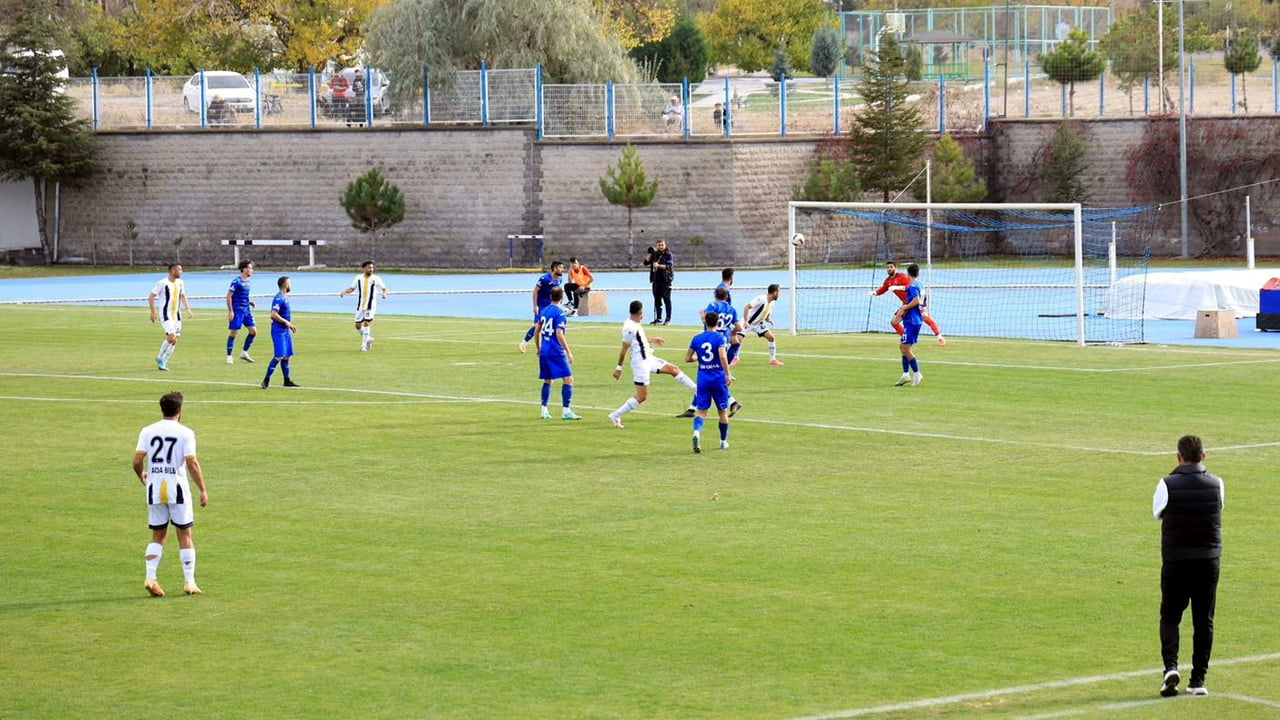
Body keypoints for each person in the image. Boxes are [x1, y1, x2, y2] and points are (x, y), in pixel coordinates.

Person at [1154, 434, 1225, 698]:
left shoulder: (1166, 484)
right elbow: (1218, 510)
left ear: (1178, 457)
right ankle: (1198, 680)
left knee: (1170, 616)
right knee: (1203, 620)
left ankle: (1171, 667)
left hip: (1176, 560)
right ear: (1203, 456)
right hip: (1208, 560)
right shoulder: (1217, 484)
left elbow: (1157, 513)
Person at [133, 391, 207, 597]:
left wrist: (142, 477)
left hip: (155, 488)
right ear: (180, 411)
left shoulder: (147, 430)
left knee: (158, 534)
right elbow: (192, 462)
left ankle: (150, 577)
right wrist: (202, 489)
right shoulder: (185, 433)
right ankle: (189, 582)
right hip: (177, 488)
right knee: (184, 534)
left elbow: (137, 461)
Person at [608, 300, 698, 429]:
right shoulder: (629, 328)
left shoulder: (635, 323)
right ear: (641, 313)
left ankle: (697, 390)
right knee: (642, 397)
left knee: (673, 369)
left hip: (649, 359)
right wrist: (619, 368)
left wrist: (652, 340)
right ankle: (615, 415)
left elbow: (638, 341)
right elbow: (624, 349)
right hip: (640, 364)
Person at [679, 286, 742, 417]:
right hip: (723, 342)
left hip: (712, 341)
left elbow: (706, 320)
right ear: (726, 296)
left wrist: (702, 314)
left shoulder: (712, 306)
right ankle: (692, 408)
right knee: (713, 376)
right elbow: (738, 327)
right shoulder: (732, 309)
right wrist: (732, 334)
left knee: (708, 374)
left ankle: (731, 402)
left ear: (715, 295)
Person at [686, 310, 733, 453]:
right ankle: (723, 441)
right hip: (718, 378)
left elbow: (688, 358)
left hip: (703, 378)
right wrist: (728, 374)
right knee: (722, 411)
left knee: (701, 411)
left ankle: (696, 432)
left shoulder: (697, 338)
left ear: (705, 321)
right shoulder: (720, 337)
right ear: (718, 322)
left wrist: (699, 358)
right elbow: (723, 357)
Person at [869, 260, 946, 346]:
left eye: (891, 267)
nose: (889, 269)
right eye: (887, 267)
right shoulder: (888, 281)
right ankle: (906, 338)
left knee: (925, 317)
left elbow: (910, 286)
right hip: (906, 304)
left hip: (913, 303)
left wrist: (899, 287)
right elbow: (883, 289)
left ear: (895, 268)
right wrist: (875, 293)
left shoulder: (902, 277)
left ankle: (939, 337)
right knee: (894, 322)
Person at [534, 287, 580, 420]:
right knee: (568, 379)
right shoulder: (560, 313)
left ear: (550, 297)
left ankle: (544, 410)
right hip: (556, 351)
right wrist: (568, 351)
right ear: (562, 298)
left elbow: (537, 330)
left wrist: (538, 347)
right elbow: (559, 333)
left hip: (545, 350)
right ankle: (566, 411)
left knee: (548, 380)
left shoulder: (544, 311)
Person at [148, 263, 193, 372]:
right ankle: (160, 357)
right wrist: (153, 312)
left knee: (175, 340)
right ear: (173, 271)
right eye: (179, 269)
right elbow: (151, 296)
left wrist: (188, 309)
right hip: (165, 314)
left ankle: (163, 361)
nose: (181, 272)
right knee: (172, 337)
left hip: (177, 315)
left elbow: (183, 295)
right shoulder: (162, 283)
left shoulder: (180, 283)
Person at [339, 260, 388, 351]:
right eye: (369, 267)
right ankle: (368, 339)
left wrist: (384, 294)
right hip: (361, 305)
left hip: (371, 305)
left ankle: (364, 345)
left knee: (366, 323)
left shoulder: (376, 278)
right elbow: (352, 288)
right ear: (364, 268)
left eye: (372, 267)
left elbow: (384, 288)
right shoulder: (358, 278)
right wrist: (345, 292)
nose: (371, 269)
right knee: (357, 325)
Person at [519, 260, 566, 353]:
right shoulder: (544, 279)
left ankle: (550, 346)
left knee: (550, 326)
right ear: (554, 268)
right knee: (538, 326)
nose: (563, 270)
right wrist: (535, 305)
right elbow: (535, 291)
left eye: (563, 268)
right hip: (541, 306)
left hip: (551, 306)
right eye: (560, 268)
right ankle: (524, 343)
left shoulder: (560, 280)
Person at [262, 276, 299, 389]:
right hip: (278, 331)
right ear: (285, 284)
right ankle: (266, 380)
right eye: (289, 283)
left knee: (286, 356)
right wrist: (286, 322)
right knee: (279, 356)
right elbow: (273, 314)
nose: (291, 285)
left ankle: (287, 380)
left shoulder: (284, 297)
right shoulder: (279, 298)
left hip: (285, 331)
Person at [892, 263, 925, 386]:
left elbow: (916, 300)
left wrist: (905, 307)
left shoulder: (912, 286)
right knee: (902, 347)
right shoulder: (920, 285)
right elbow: (922, 301)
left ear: (907, 274)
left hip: (912, 320)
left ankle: (917, 373)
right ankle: (905, 374)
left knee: (906, 348)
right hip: (912, 320)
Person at [741, 284, 784, 366]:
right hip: (748, 322)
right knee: (738, 339)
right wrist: (746, 321)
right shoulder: (761, 299)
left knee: (771, 337)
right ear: (775, 293)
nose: (780, 294)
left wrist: (768, 319)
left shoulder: (772, 302)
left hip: (758, 324)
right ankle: (735, 358)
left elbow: (765, 312)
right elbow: (747, 307)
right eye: (779, 292)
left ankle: (773, 360)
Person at [225, 260, 257, 364]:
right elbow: (229, 296)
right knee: (234, 333)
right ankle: (229, 356)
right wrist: (231, 311)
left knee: (253, 331)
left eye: (252, 268)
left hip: (246, 310)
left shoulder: (248, 282)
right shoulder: (236, 281)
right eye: (250, 268)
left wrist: (249, 302)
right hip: (237, 311)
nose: (251, 270)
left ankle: (244, 352)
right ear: (244, 269)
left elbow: (243, 295)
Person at [644, 239, 674, 325]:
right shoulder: (655, 254)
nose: (660, 247)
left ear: (665, 245)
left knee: (667, 300)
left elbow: (669, 266)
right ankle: (659, 318)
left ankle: (668, 319)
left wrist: (658, 265)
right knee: (657, 300)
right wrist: (649, 254)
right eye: (659, 245)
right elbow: (645, 263)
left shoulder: (668, 255)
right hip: (656, 281)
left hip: (666, 280)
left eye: (662, 245)